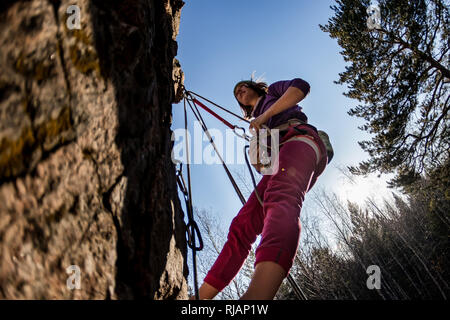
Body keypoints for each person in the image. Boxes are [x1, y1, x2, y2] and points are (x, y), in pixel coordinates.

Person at [193, 78, 329, 300]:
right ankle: (200, 298)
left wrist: (264, 118)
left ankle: (257, 297)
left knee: (280, 198)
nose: (240, 92)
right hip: (279, 162)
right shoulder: (255, 126)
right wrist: (256, 143)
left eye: (242, 87)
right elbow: (262, 166)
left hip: (301, 139)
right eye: (237, 93)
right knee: (243, 224)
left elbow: (301, 86)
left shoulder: (273, 93)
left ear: (253, 86)